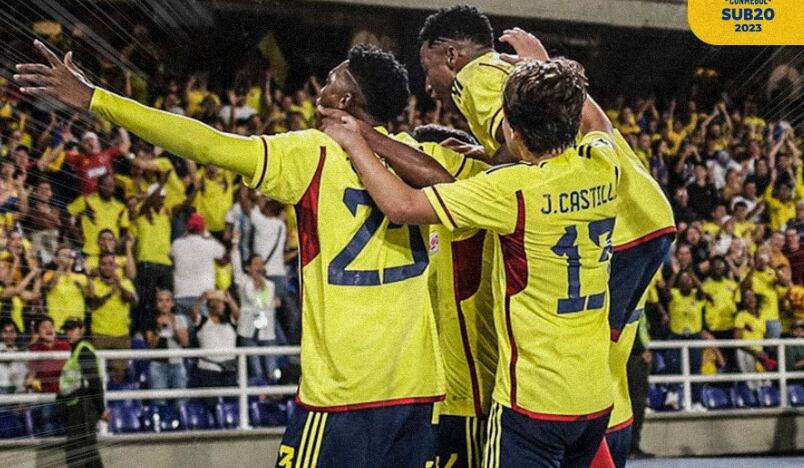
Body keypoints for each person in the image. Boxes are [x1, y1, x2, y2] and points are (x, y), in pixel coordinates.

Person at [17, 40, 444, 466]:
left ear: (345, 101)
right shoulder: (414, 157)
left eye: (329, 83)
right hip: (420, 385)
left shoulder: (311, 151)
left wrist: (97, 98)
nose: (318, 93)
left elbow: (206, 144)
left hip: (346, 390)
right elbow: (453, 185)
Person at [323, 55, 618, 466]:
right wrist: (545, 63)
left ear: (512, 131)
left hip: (532, 402)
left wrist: (357, 140)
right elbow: (600, 126)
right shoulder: (604, 166)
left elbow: (402, 206)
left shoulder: (511, 190)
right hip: (595, 399)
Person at [58, 317, 108, 468]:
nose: (69, 333)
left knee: (80, 454)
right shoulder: (76, 351)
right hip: (77, 407)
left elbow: (94, 382)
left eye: (72, 329)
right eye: (67, 330)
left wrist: (101, 409)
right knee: (86, 452)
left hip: (83, 407)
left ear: (82, 330)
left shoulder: (83, 350)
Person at [231, 233, 279, 381]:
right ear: (248, 268)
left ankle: (274, 395)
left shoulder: (270, 285)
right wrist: (235, 242)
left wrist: (262, 286)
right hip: (248, 330)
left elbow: (264, 304)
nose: (259, 267)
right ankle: (259, 397)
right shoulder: (243, 282)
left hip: (266, 330)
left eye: (261, 264)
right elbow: (235, 263)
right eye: (256, 264)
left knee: (272, 368)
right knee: (256, 368)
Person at [170, 212, 226, 317]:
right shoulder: (210, 244)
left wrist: (185, 234)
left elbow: (171, 258)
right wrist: (208, 235)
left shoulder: (177, 244)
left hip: (181, 294)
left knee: (183, 331)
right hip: (203, 295)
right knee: (201, 331)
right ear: (202, 229)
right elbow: (224, 260)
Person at [66, 173, 130, 256]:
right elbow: (67, 216)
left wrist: (117, 246)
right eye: (105, 185)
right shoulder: (86, 201)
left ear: (114, 188)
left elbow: (124, 231)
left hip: (110, 253)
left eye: (111, 186)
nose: (108, 188)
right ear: (98, 185)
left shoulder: (121, 207)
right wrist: (77, 237)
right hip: (89, 251)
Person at [144, 290, 189, 402]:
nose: (164, 304)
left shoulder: (180, 319)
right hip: (158, 365)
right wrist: (158, 329)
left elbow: (185, 342)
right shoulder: (150, 320)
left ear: (172, 303)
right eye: (160, 300)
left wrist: (173, 325)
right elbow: (151, 346)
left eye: (167, 301)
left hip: (177, 363)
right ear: (156, 303)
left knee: (181, 400)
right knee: (159, 401)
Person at [0, 320, 26, 394]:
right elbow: (8, 357)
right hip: (3, 390)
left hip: (20, 391)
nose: (9, 335)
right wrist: (32, 342)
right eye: (5, 332)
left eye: (12, 331)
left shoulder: (20, 349)